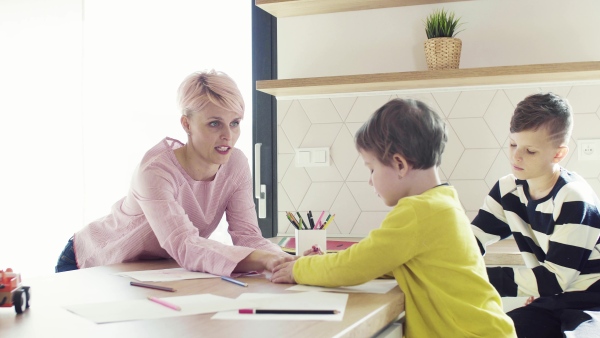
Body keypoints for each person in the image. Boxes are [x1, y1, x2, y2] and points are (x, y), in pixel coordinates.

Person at [271, 98, 516, 337]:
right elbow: (381, 259)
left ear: (399, 164)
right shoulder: (443, 202)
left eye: (371, 168)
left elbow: (355, 265)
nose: (370, 180)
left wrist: (299, 269)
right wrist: (326, 261)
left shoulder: (418, 211)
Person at [55, 69, 293, 276]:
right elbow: (185, 244)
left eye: (235, 122)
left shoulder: (236, 164)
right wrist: (264, 260)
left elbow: (249, 236)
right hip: (89, 262)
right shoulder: (156, 171)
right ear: (187, 124)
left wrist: (286, 260)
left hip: (148, 270)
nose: (228, 135)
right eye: (214, 123)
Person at [471, 92, 600, 337]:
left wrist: (474, 280)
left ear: (558, 154)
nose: (516, 156)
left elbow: (553, 280)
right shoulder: (507, 190)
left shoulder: (574, 197)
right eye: (512, 144)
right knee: (492, 332)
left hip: (592, 303)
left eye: (530, 150)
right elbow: (472, 239)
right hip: (553, 301)